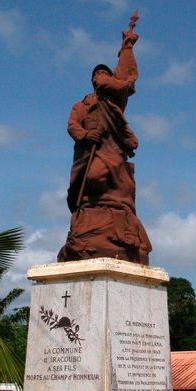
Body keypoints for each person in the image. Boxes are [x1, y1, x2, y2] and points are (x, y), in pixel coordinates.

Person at [57, 25, 152, 264]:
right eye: (96, 73)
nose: (100, 75)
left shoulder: (113, 101)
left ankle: (123, 227)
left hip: (114, 151)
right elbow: (72, 125)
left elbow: (125, 75)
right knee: (95, 177)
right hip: (91, 153)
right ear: (92, 80)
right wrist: (86, 135)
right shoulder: (82, 104)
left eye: (104, 72)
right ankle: (88, 223)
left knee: (122, 187)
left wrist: (127, 46)